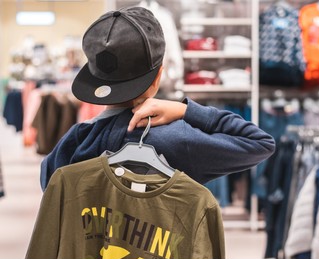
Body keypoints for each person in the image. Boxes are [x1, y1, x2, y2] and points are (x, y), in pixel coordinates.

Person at [40, 6, 275, 191]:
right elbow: (261, 143)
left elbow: (48, 183)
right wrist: (184, 110)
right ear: (158, 77)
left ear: (95, 81)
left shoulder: (74, 142)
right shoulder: (179, 139)